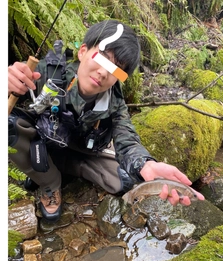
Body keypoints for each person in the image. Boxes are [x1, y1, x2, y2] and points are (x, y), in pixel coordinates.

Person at [8, 20, 204, 222]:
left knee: (125, 182)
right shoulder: (48, 72)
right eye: (102, 58)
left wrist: (145, 164)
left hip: (84, 149)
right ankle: (50, 182)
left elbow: (126, 138)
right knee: (8, 126)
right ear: (83, 51)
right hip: (44, 139)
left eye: (116, 70)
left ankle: (62, 167)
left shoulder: (115, 103)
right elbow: (16, 85)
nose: (104, 72)